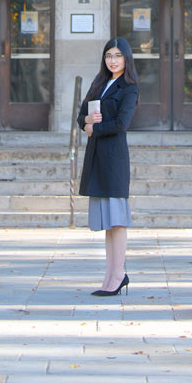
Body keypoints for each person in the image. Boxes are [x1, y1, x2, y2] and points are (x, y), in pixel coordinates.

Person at [77, 37, 139, 296]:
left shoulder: (129, 87)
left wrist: (94, 128)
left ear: (126, 58)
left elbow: (121, 124)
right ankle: (110, 275)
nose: (112, 60)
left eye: (117, 55)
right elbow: (82, 116)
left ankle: (119, 274)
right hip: (97, 157)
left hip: (114, 158)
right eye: (108, 56)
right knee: (107, 223)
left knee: (117, 221)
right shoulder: (100, 83)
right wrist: (87, 121)